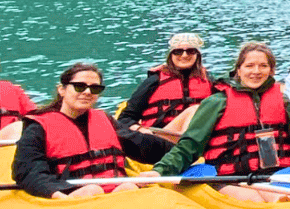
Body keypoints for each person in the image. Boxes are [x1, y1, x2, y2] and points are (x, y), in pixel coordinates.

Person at [152, 42, 290, 201]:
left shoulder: (281, 101)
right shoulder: (216, 103)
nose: (256, 71)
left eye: (263, 66)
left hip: (275, 175)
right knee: (254, 199)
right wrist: (160, 171)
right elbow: (189, 147)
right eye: (249, 66)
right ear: (238, 70)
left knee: (280, 198)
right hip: (230, 178)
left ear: (271, 71)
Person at [12, 62, 173, 198]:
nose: (88, 92)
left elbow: (144, 145)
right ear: (62, 90)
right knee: (92, 190)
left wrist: (184, 153)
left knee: (128, 187)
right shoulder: (38, 127)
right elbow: (28, 171)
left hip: (116, 193)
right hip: (73, 195)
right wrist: (56, 193)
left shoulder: (104, 120)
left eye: (95, 89)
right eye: (79, 87)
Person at [119, 33, 211, 136]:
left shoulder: (209, 82)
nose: (184, 55)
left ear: (197, 55)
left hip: (199, 138)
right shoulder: (154, 81)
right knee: (193, 110)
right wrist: (140, 129)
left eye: (190, 51)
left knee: (195, 110)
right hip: (159, 138)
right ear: (171, 55)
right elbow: (125, 119)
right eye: (178, 52)